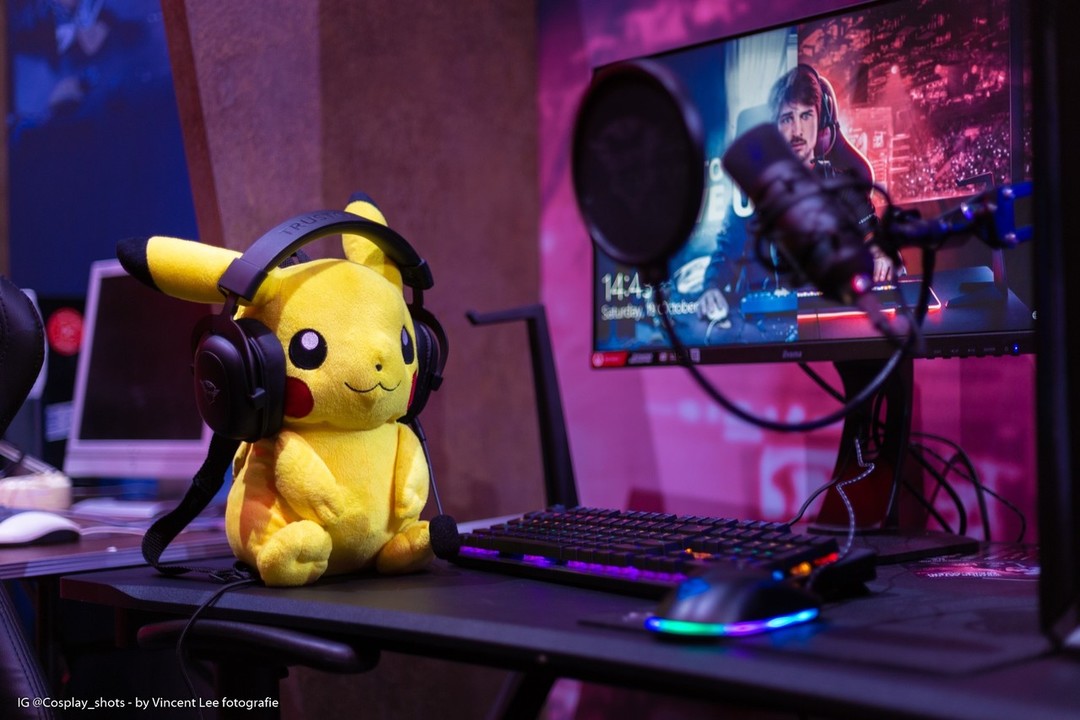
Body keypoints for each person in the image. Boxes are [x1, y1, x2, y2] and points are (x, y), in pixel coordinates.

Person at [698, 64, 895, 326]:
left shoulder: (844, 185)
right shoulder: (752, 195)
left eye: (806, 115)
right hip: (767, 325)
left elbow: (873, 236)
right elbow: (726, 253)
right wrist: (711, 288)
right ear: (775, 127)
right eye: (787, 118)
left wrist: (880, 254)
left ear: (820, 121)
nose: (797, 130)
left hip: (836, 317)